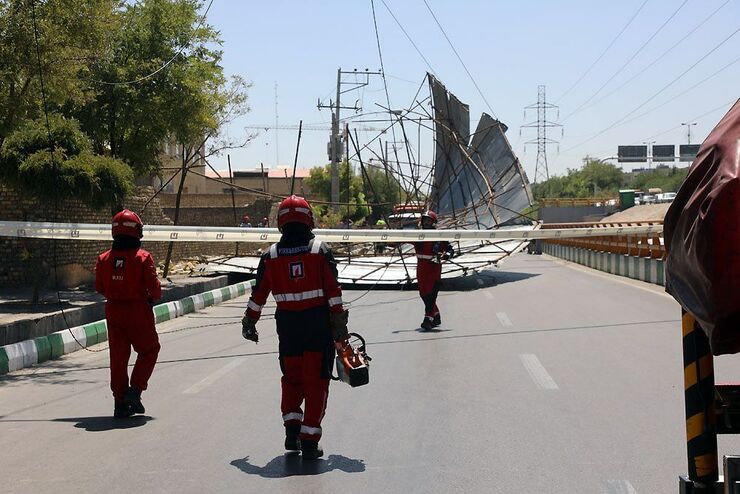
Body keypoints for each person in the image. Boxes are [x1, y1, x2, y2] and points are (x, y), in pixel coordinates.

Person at [241, 195, 349, 459]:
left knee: (292, 380)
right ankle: (310, 439)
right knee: (317, 382)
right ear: (308, 218)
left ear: (281, 222)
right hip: (317, 328)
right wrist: (339, 330)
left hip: (288, 329)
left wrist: (249, 322)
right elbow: (334, 295)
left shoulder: (271, 256)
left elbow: (259, 295)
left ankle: (292, 431)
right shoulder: (320, 251)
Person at [95, 209, 161, 418]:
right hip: (138, 311)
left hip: (113, 312)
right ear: (137, 232)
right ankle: (135, 391)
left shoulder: (103, 259)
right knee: (150, 349)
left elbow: (99, 287)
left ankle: (119, 402)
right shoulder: (143, 258)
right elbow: (155, 290)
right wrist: (150, 297)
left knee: (118, 358)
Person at [413, 210, 454, 331]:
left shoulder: (439, 235)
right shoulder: (416, 235)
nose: (426, 223)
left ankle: (428, 319)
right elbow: (401, 239)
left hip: (433, 268)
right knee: (423, 293)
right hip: (421, 268)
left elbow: (450, 250)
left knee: (431, 294)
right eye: (424, 220)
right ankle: (436, 315)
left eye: (428, 221)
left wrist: (447, 255)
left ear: (433, 222)